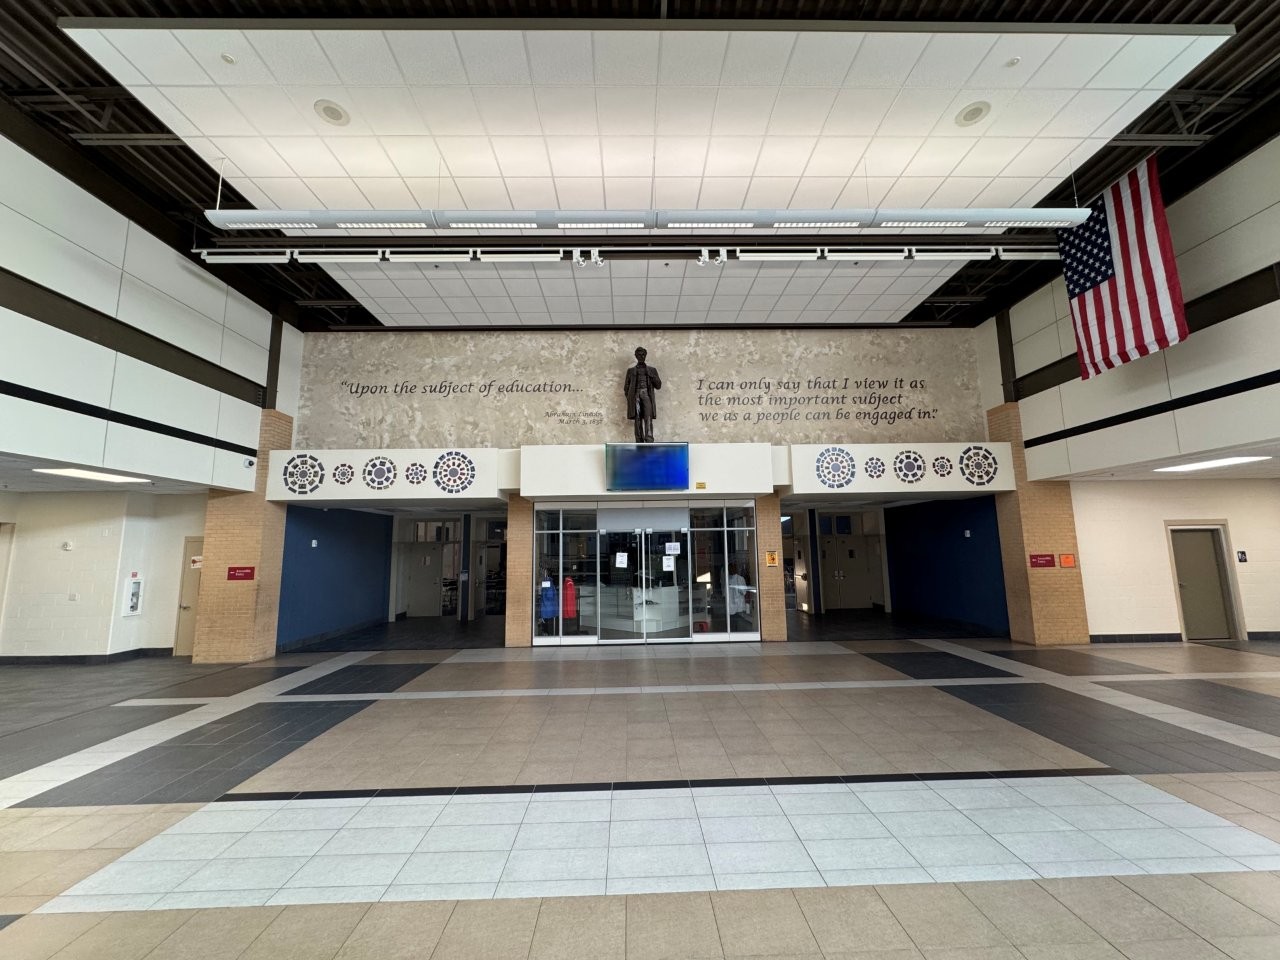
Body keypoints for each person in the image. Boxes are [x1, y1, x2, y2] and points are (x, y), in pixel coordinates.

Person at [623, 346, 661, 443]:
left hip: (646, 395)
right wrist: (630, 398)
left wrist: (652, 376)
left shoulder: (652, 370)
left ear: (646, 355)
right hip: (635, 396)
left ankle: (649, 440)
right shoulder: (630, 371)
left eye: (643, 354)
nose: (641, 356)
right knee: (638, 419)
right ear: (636, 356)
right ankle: (639, 441)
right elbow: (626, 387)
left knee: (648, 417)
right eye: (639, 355)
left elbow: (658, 385)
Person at [726, 563, 750, 628]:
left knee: (739, 624)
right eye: (729, 569)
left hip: (739, 606)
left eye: (731, 568)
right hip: (731, 606)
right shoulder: (727, 579)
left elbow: (744, 592)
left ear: (735, 569)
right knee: (732, 625)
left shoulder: (740, 579)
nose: (730, 570)